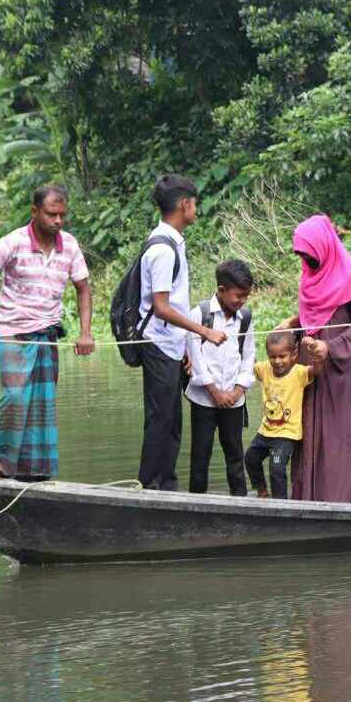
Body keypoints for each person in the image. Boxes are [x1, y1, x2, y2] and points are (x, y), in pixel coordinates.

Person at [0, 184, 95, 483]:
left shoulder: (70, 245)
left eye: (62, 215)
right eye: (51, 214)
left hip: (47, 334)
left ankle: (33, 471)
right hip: (13, 330)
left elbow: (83, 289)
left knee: (42, 403)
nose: (58, 221)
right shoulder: (15, 242)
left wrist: (86, 333)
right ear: (35, 212)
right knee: (15, 395)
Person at [137, 174, 228, 491]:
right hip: (158, 343)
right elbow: (161, 306)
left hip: (172, 345)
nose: (196, 210)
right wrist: (204, 330)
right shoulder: (162, 249)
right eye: (195, 204)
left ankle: (167, 484)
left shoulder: (174, 242)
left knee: (172, 421)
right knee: (160, 420)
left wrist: (187, 348)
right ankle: (150, 486)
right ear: (184, 204)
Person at [283, 214, 351, 503]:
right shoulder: (308, 280)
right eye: (302, 256)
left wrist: (332, 347)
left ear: (324, 248)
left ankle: (346, 502)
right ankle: (310, 499)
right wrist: (292, 322)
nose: (307, 262)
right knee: (312, 440)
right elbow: (313, 318)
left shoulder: (350, 278)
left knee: (340, 442)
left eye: (310, 256)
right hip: (311, 373)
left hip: (339, 374)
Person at [184, 259, 256, 496]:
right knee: (200, 455)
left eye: (246, 295)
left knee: (235, 455)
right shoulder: (200, 315)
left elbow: (248, 357)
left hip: (234, 400)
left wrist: (237, 391)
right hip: (204, 399)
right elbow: (195, 358)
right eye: (239, 295)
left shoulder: (244, 318)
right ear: (222, 290)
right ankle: (196, 506)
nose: (243, 300)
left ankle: (241, 503)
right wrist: (214, 391)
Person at [247, 331, 319, 499]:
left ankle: (281, 504)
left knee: (276, 469)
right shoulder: (264, 369)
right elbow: (250, 362)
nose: (277, 361)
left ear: (293, 355)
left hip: (286, 434)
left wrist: (316, 350)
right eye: (273, 357)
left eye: (282, 356)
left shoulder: (298, 372)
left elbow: (316, 370)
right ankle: (262, 491)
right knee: (250, 458)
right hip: (265, 431)